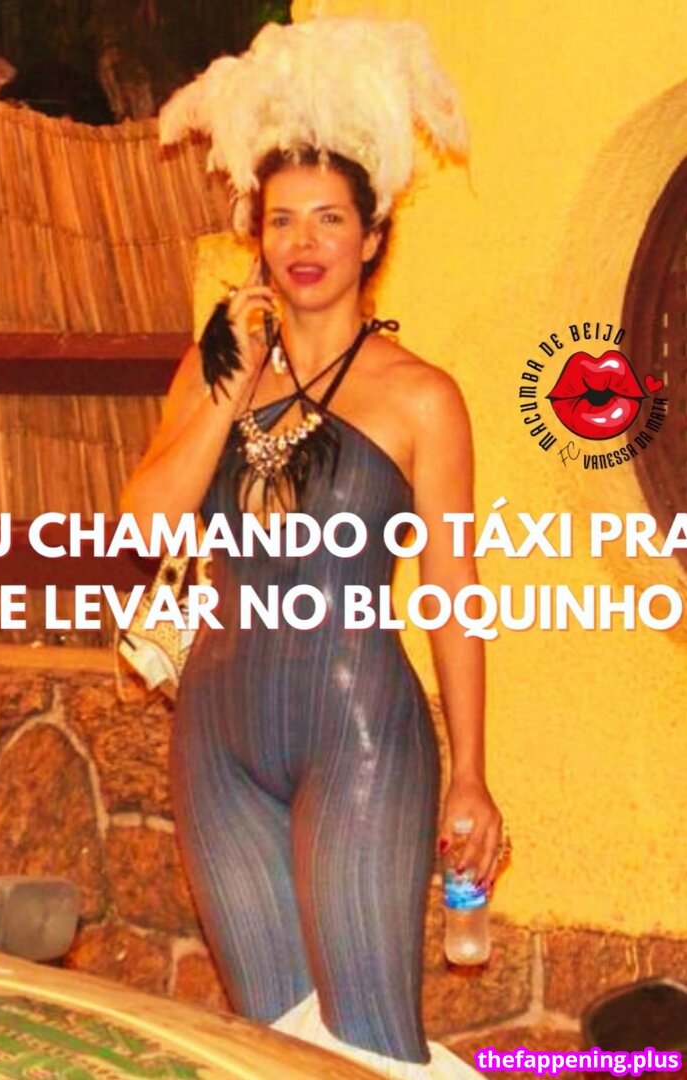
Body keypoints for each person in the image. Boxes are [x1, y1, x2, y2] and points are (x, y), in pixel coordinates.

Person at [121, 18, 504, 1080]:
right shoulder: (211, 368)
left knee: (370, 1051)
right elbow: (145, 525)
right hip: (218, 738)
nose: (304, 241)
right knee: (269, 1052)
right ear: (257, 233)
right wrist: (230, 383)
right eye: (282, 218)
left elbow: (454, 592)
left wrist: (473, 774)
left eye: (329, 218)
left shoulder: (421, 398)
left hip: (360, 733)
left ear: (370, 236)